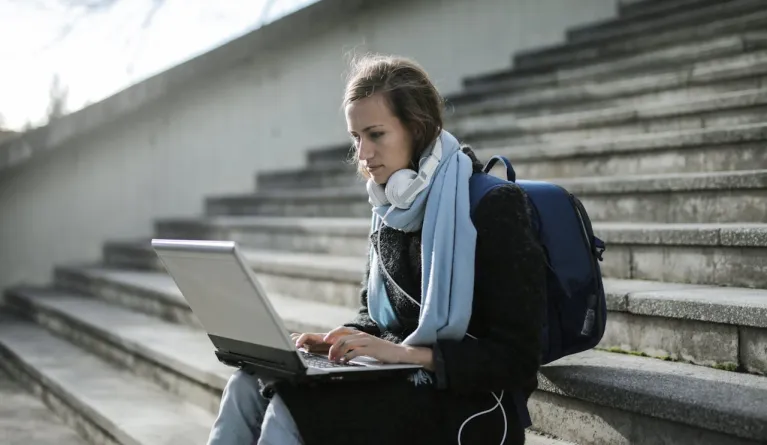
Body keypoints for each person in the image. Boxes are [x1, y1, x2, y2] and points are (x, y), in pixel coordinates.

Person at [206, 54, 546, 445]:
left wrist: (406, 355)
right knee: (247, 384)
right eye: (356, 137)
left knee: (294, 409)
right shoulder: (390, 209)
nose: (363, 155)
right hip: (402, 379)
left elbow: (517, 359)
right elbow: (377, 317)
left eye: (376, 134)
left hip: (474, 404)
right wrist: (340, 337)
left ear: (417, 129)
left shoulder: (493, 205)